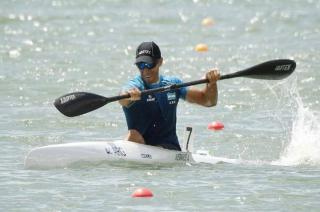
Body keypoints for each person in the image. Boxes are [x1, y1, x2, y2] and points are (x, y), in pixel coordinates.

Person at [119, 41, 220, 151]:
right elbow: (122, 98)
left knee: (134, 136)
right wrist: (128, 96)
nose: (145, 70)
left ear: (160, 62)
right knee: (133, 135)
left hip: (169, 149)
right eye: (140, 65)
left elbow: (208, 101)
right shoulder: (135, 86)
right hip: (139, 146)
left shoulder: (173, 84)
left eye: (149, 64)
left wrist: (212, 84)